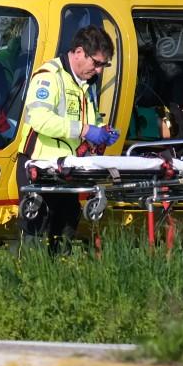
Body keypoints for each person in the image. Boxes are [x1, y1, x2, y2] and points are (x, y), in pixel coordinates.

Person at [15, 25, 119, 251]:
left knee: (66, 230)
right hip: (39, 166)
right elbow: (39, 118)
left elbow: (89, 120)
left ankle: (58, 280)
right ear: (80, 52)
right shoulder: (49, 77)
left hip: (67, 168)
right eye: (97, 63)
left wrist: (102, 130)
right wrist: (84, 130)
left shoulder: (85, 84)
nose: (100, 71)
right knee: (35, 233)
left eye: (104, 65)